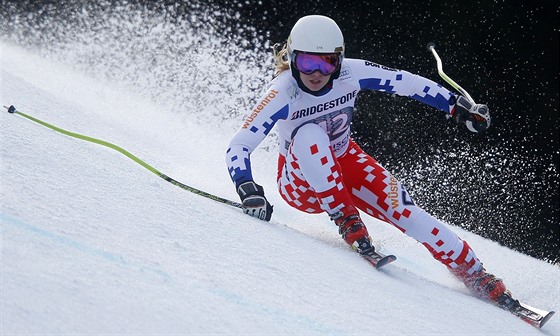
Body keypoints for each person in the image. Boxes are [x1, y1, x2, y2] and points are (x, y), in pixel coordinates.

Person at [225, 15, 512, 306]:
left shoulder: (351, 73)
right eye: (306, 63)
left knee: (405, 209)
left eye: (326, 62)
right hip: (301, 185)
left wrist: (456, 106)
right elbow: (239, 145)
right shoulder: (283, 92)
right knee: (309, 134)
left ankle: (477, 274)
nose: (316, 73)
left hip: (345, 161)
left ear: (340, 59)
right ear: (293, 58)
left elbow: (407, 83)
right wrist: (248, 189)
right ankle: (348, 221)